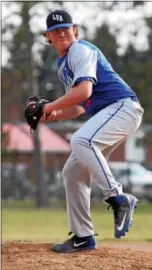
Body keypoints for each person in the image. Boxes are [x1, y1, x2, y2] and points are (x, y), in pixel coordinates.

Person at [41, 9, 144, 253]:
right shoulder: (63, 64)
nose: (61, 32)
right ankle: (83, 237)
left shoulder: (81, 50)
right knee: (73, 172)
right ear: (48, 36)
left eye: (65, 28)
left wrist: (48, 105)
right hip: (111, 114)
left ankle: (118, 198)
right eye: (56, 31)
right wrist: (53, 114)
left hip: (123, 108)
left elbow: (84, 91)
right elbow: (79, 106)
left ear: (74, 29)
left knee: (81, 140)